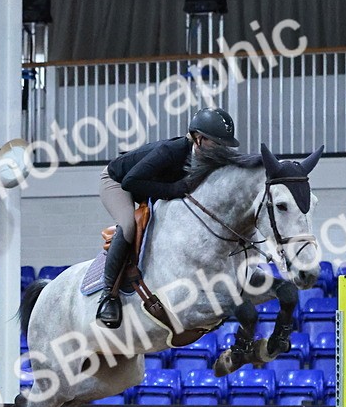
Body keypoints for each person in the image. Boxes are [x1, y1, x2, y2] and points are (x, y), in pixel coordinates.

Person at [95, 107, 240, 328]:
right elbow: (130, 182)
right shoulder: (170, 151)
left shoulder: (209, 159)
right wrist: (173, 190)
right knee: (128, 224)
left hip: (151, 186)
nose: (222, 149)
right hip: (118, 181)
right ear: (198, 139)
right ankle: (108, 295)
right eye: (217, 143)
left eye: (224, 145)